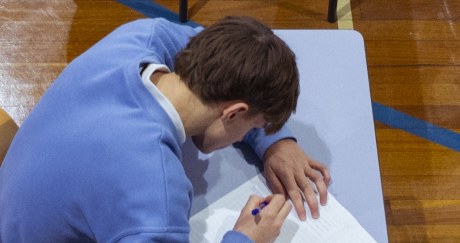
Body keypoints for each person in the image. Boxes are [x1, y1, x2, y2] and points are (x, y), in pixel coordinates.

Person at [0, 16, 330, 242]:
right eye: (252, 126)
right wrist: (245, 238)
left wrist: (274, 140)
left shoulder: (142, 36)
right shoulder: (155, 191)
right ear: (233, 113)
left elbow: (203, 38)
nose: (246, 137)